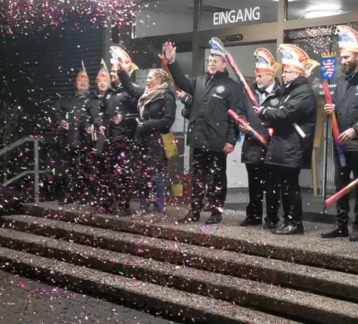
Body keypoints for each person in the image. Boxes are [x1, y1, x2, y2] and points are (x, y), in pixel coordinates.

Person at [164, 39, 243, 225]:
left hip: (218, 140)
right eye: (209, 60)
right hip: (198, 138)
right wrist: (172, 62)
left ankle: (216, 212)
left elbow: (235, 116)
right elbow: (181, 81)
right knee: (197, 177)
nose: (211, 62)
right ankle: (195, 211)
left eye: (215, 60)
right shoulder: (199, 82)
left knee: (217, 177)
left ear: (224, 63)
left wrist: (231, 140)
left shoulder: (233, 87)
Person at [322, 25, 358, 242]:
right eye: (341, 57)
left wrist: (356, 129)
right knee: (341, 184)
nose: (342, 61)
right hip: (340, 143)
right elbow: (338, 106)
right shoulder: (342, 80)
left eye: (346, 57)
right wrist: (331, 110)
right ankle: (341, 224)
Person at [256, 44, 318, 235]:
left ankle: (295, 222)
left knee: (291, 186)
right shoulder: (290, 91)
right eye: (284, 71)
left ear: (299, 72)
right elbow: (280, 111)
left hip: (294, 146)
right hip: (284, 145)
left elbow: (285, 113)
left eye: (289, 71)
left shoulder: (304, 92)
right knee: (284, 186)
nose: (284, 75)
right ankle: (287, 220)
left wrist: (265, 111)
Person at [114, 46, 177, 217]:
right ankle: (143, 206)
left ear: (160, 80)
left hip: (158, 142)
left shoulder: (166, 97)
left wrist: (145, 125)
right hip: (141, 141)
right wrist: (122, 72)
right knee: (142, 175)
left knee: (157, 176)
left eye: (150, 78)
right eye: (147, 78)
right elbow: (131, 88)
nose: (147, 81)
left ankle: (158, 209)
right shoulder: (145, 94)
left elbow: (167, 122)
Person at [238, 48, 284, 229]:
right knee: (254, 185)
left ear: (271, 75)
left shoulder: (281, 94)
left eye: (261, 76)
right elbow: (241, 112)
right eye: (256, 76)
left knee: (272, 186)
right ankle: (254, 215)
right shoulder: (249, 93)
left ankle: (272, 218)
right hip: (252, 146)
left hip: (272, 147)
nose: (257, 79)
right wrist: (240, 123)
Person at [50, 63, 99, 206]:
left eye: (85, 82)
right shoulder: (65, 99)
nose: (82, 84)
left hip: (87, 141)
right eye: (80, 81)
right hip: (69, 139)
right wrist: (60, 121)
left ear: (89, 84)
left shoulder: (93, 99)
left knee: (88, 168)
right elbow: (54, 111)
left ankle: (91, 197)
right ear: (75, 83)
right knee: (68, 169)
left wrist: (92, 127)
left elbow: (97, 117)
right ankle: (69, 195)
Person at [91, 58, 136, 216]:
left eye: (114, 71)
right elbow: (102, 113)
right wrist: (99, 124)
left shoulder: (130, 92)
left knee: (123, 175)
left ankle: (124, 206)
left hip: (125, 140)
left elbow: (138, 115)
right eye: (111, 71)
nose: (112, 73)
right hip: (109, 140)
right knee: (107, 174)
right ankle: (107, 204)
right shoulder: (108, 93)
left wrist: (124, 119)